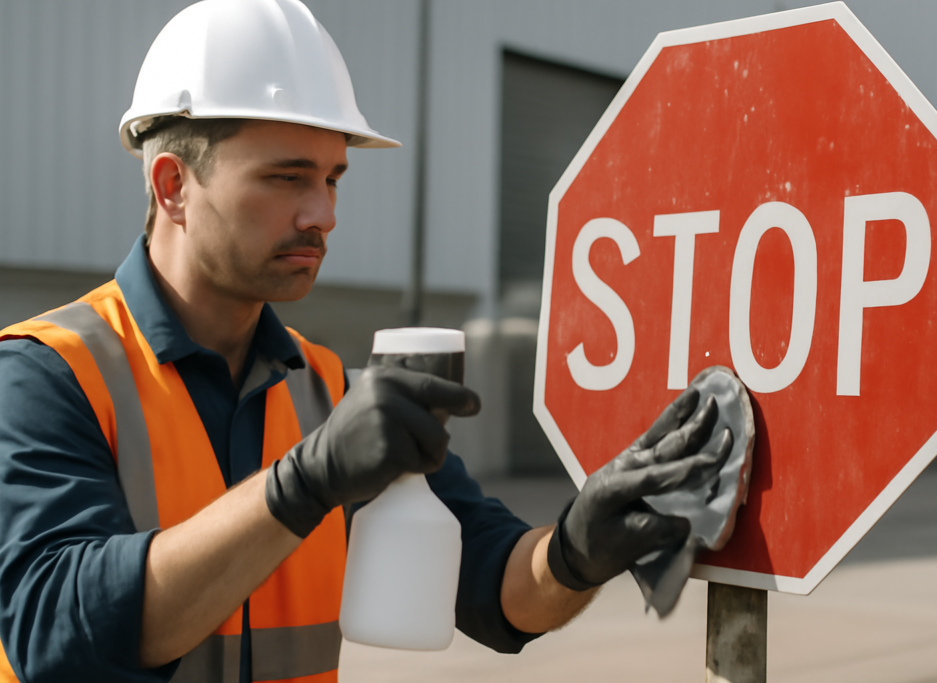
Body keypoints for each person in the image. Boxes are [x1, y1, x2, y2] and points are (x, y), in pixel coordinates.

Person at [0, 1, 730, 682]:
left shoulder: (329, 391)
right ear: (172, 185)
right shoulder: (47, 373)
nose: (323, 213)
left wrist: (573, 551)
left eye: (333, 178)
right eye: (287, 177)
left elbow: (491, 584)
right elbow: (54, 630)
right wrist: (303, 484)